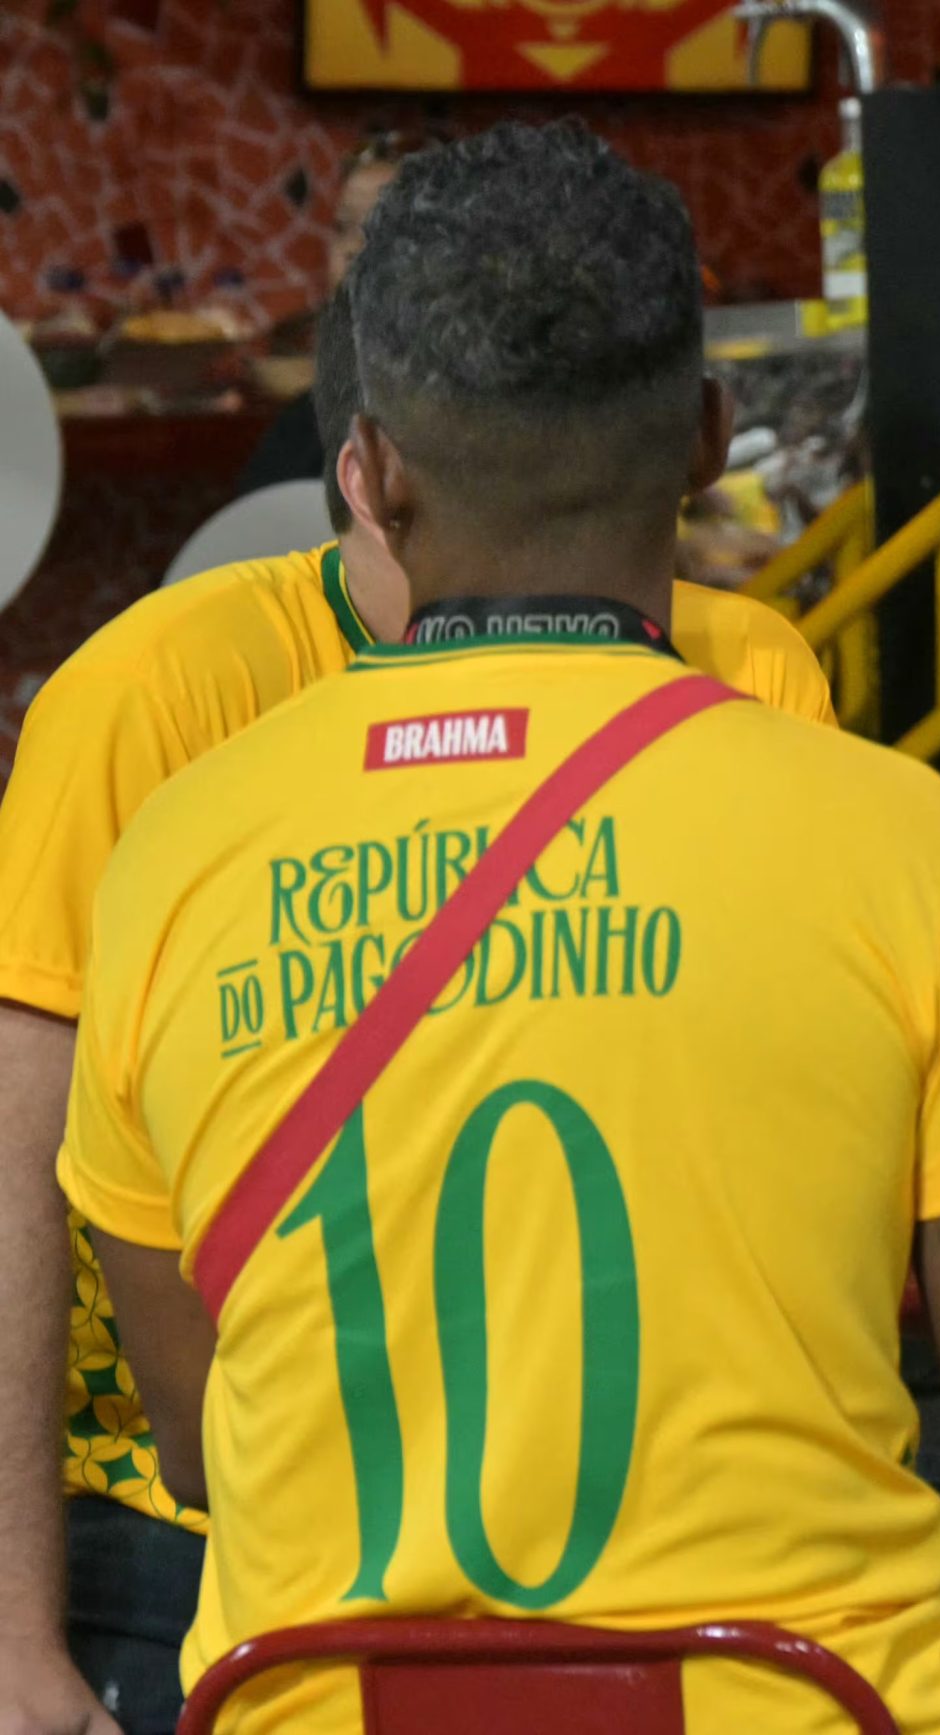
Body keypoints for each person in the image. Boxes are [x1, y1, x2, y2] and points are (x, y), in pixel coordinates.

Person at [47, 120, 940, 1735]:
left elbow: (197, 1444)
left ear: (367, 471)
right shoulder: (903, 844)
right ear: (709, 435)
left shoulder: (172, 854)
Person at [0, 206, 838, 1735]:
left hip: (663, 1517)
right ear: (371, 475)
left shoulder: (752, 669)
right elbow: (18, 1167)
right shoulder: (150, 697)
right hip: (207, 1528)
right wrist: (13, 1641)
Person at [232, 131, 422, 500]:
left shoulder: (464, 426)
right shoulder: (303, 426)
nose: (352, 249)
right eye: (342, 228)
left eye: (380, 227)